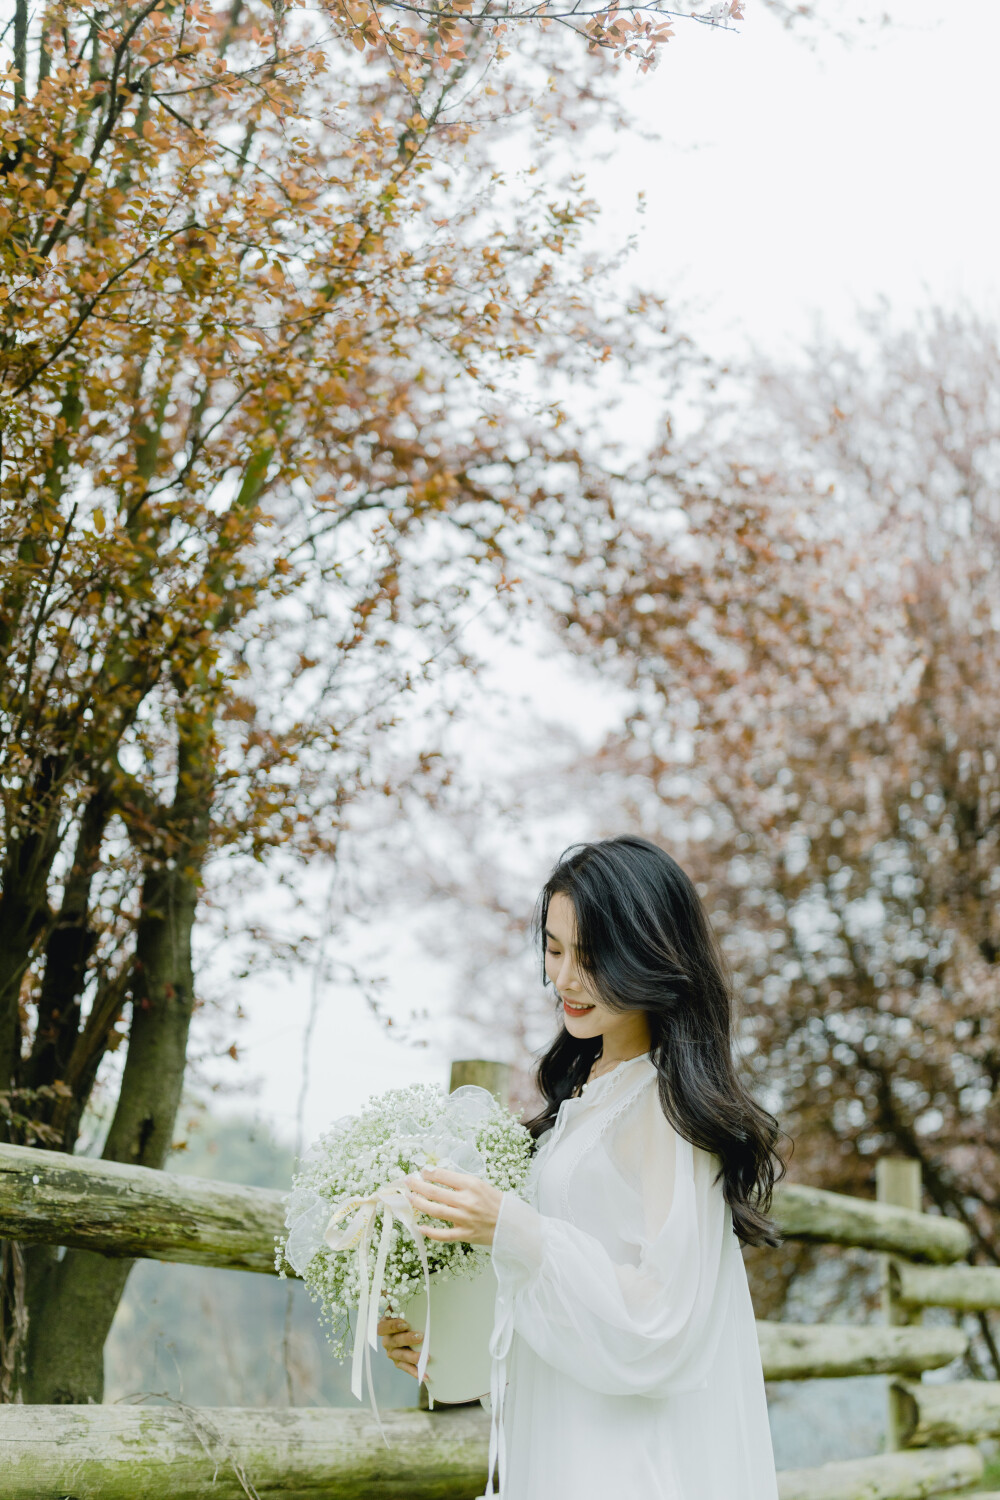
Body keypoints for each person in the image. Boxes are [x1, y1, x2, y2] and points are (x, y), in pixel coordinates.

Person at [378, 835, 783, 1500]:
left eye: (590, 958)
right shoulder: (583, 1098)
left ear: (650, 955)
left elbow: (663, 1317)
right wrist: (441, 1339)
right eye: (554, 948)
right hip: (561, 1444)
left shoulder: (662, 1108)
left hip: (627, 1462)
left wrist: (514, 1226)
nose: (563, 979)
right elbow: (559, 1307)